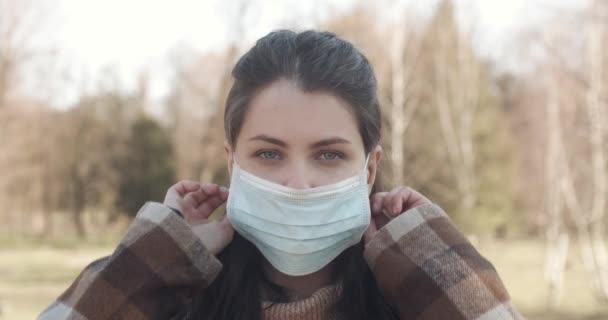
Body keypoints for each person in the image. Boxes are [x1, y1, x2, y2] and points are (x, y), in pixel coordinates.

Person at [39, 30, 523, 320]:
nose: (298, 183)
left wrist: (437, 265)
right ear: (233, 163)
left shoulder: (416, 305)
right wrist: (149, 265)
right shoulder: (174, 305)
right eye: (269, 155)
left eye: (329, 155)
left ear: (369, 169)